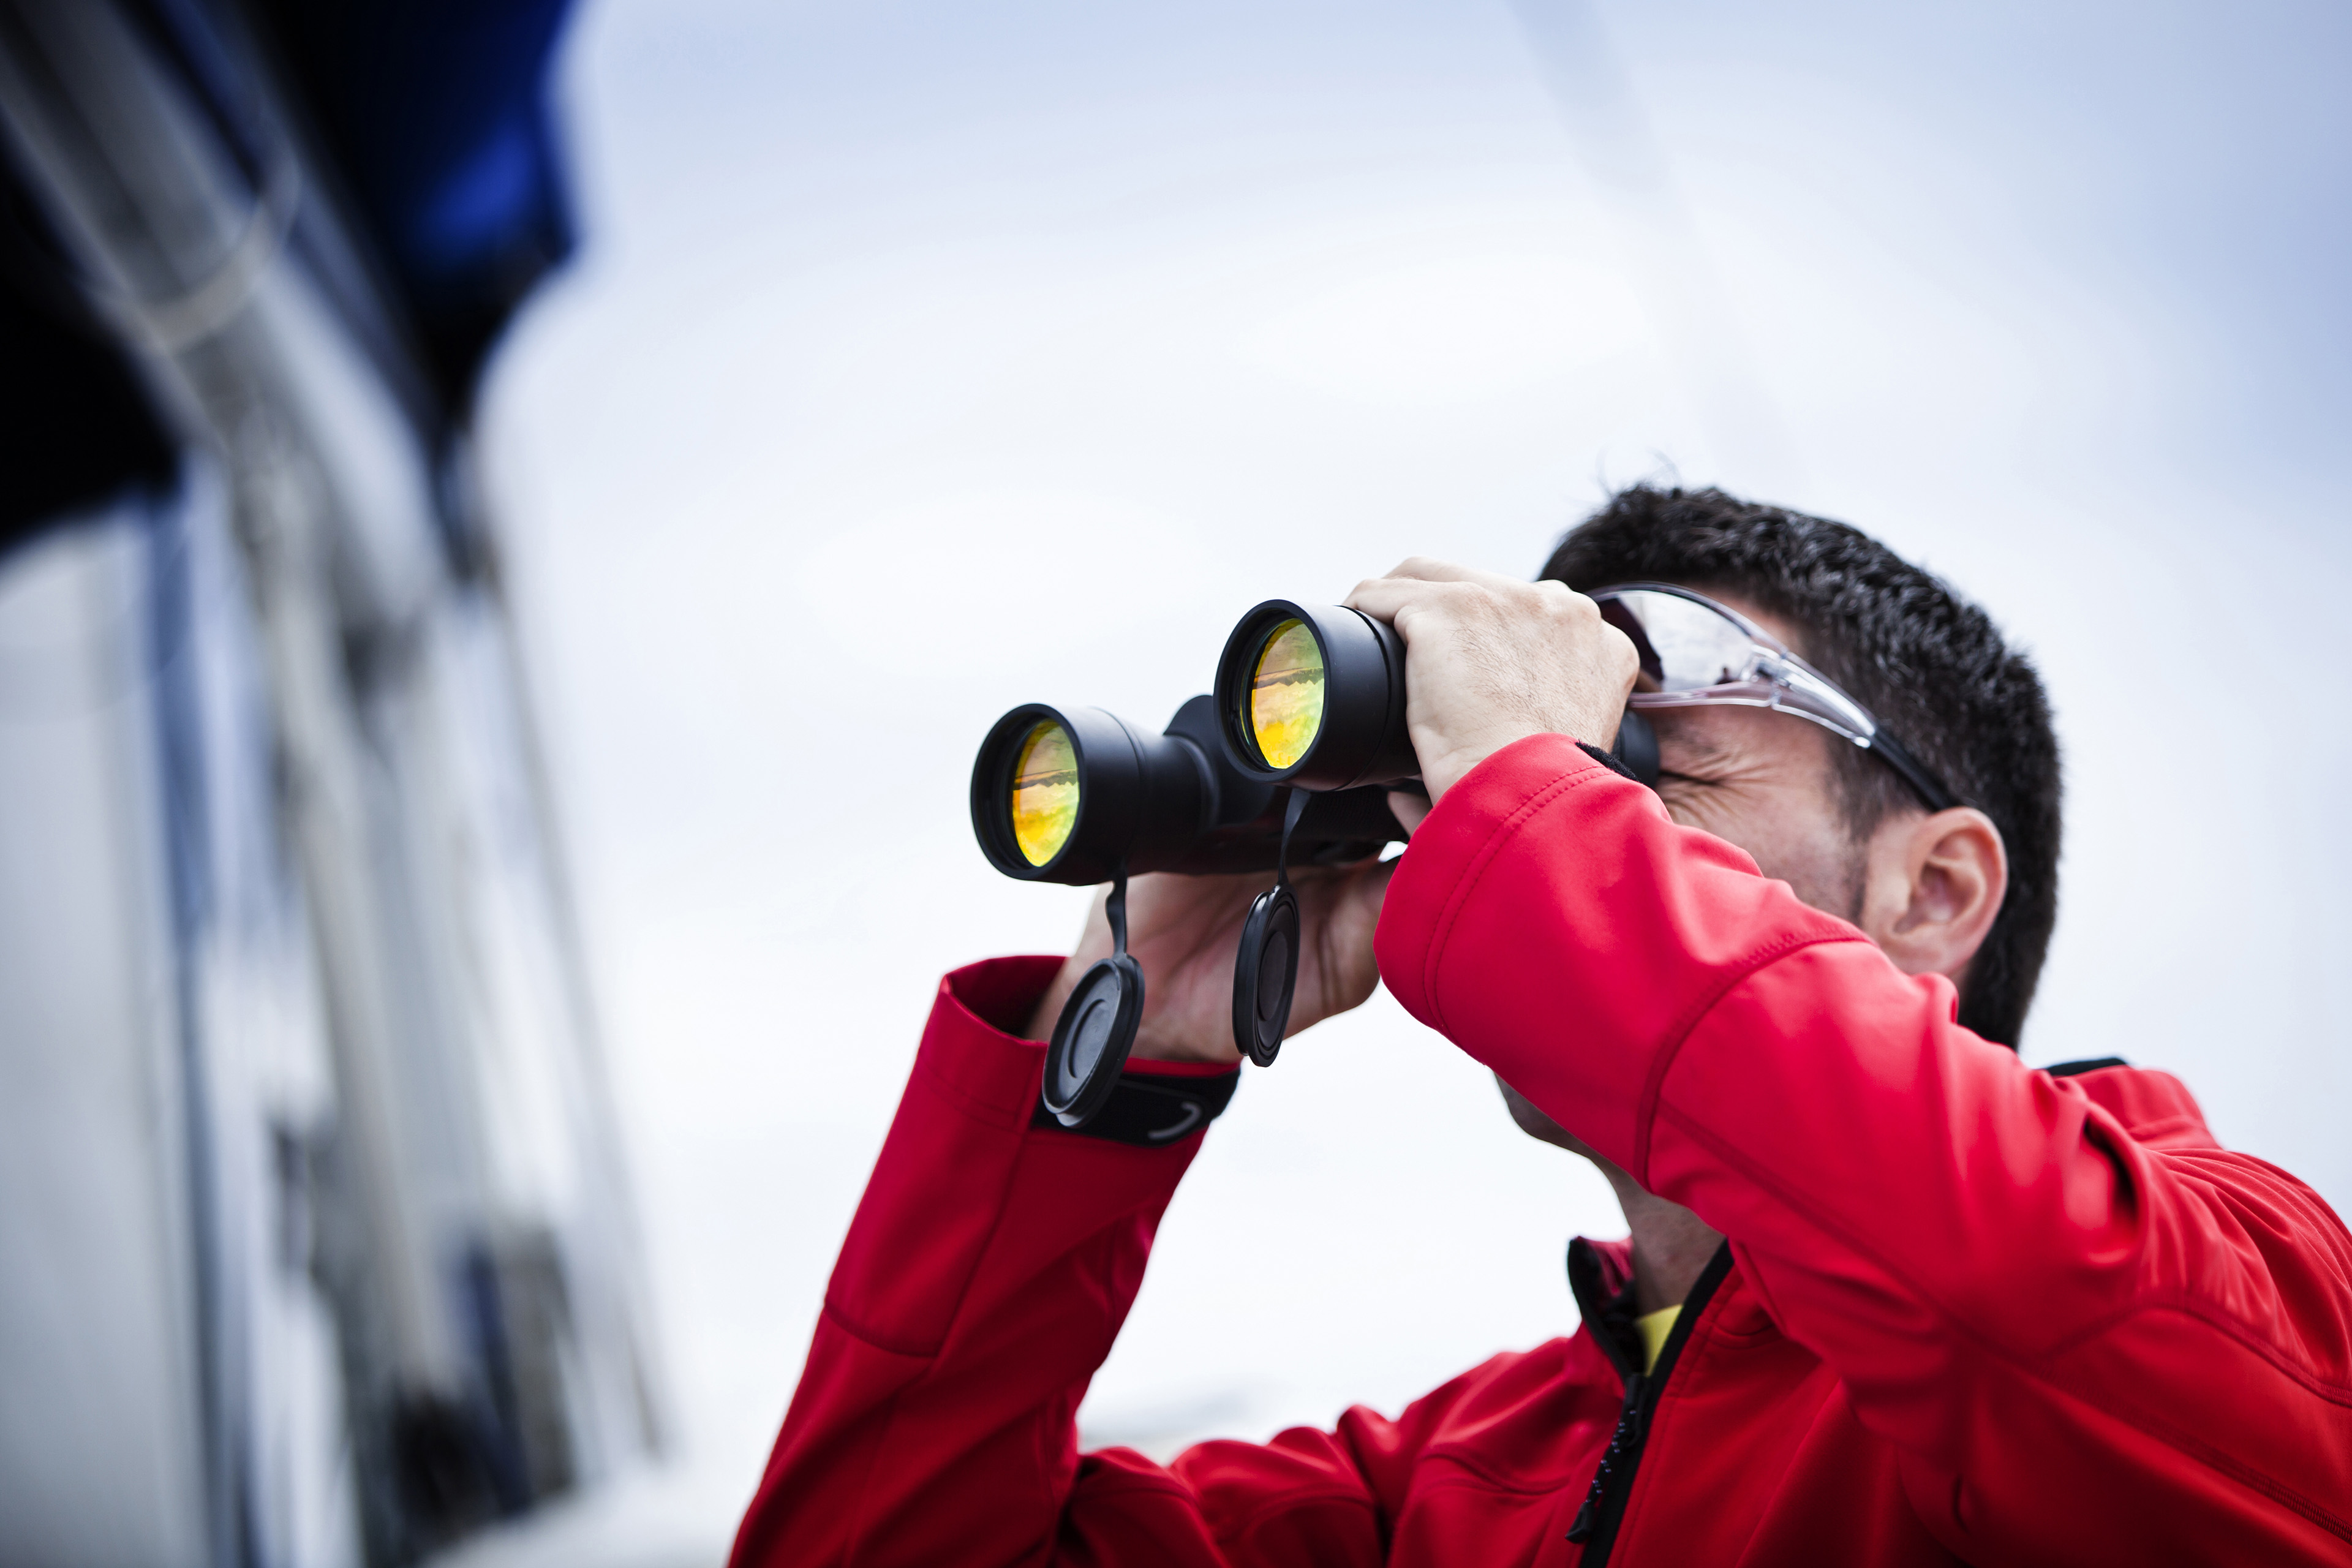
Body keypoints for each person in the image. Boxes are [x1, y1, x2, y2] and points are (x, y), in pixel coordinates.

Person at [728, 486, 2352, 1566]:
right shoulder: (1450, 1495)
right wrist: (1121, 1057)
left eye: (1647, 758)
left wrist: (1535, 803)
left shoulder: (2237, 1279)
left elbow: (2005, 1291)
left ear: (1935, 891)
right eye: (1500, 766)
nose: (1504, 817)